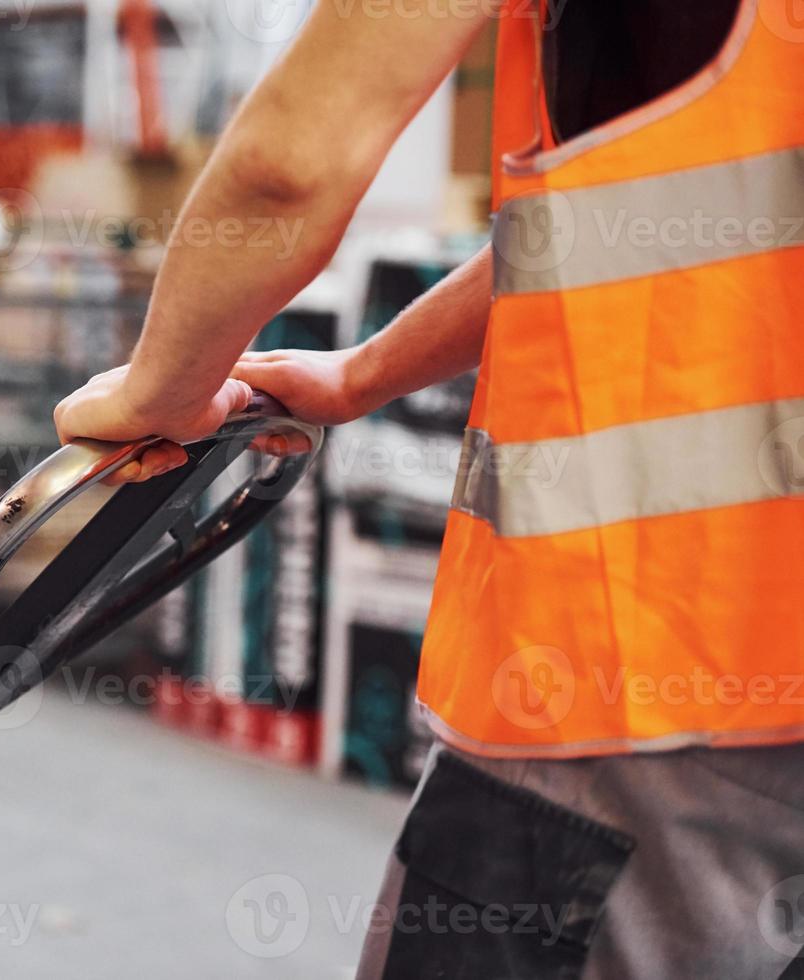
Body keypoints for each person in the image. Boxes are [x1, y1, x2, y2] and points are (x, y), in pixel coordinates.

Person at [54, 1, 804, 977]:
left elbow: (288, 168)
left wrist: (159, 389)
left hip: (645, 672)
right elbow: (639, 214)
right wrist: (362, 373)